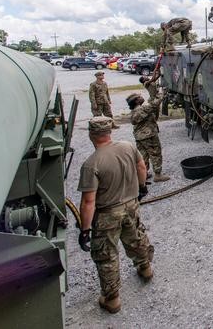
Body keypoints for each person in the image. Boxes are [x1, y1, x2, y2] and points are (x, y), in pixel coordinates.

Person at [77, 116, 154, 314]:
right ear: (109, 131)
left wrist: (85, 230)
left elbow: (88, 202)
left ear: (91, 135)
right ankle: (145, 268)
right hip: (131, 206)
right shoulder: (128, 146)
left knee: (107, 255)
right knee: (136, 238)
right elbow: (141, 167)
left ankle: (112, 299)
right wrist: (142, 187)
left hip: (107, 214)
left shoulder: (91, 164)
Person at [126, 92, 170, 183]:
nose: (142, 97)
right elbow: (154, 105)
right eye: (139, 97)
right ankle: (158, 175)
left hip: (139, 137)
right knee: (155, 154)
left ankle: (144, 174)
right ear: (136, 101)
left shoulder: (134, 111)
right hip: (148, 135)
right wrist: (161, 95)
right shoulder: (142, 109)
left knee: (143, 156)